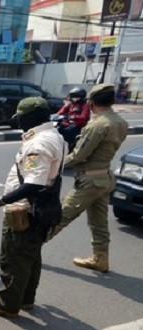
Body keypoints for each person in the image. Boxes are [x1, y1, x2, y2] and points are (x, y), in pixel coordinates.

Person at [0, 97, 66, 318]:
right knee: (31, 255)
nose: (18, 122)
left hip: (25, 209)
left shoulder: (39, 144)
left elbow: (34, 183)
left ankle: (6, 304)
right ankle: (26, 298)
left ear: (31, 117)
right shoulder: (56, 137)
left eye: (20, 118)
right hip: (44, 208)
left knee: (14, 257)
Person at [46, 83, 129, 273]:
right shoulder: (120, 122)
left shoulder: (98, 125)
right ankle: (100, 258)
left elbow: (79, 155)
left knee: (60, 216)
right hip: (105, 177)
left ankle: (28, 252)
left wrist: (54, 166)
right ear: (113, 100)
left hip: (89, 181)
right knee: (99, 222)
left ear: (91, 102)